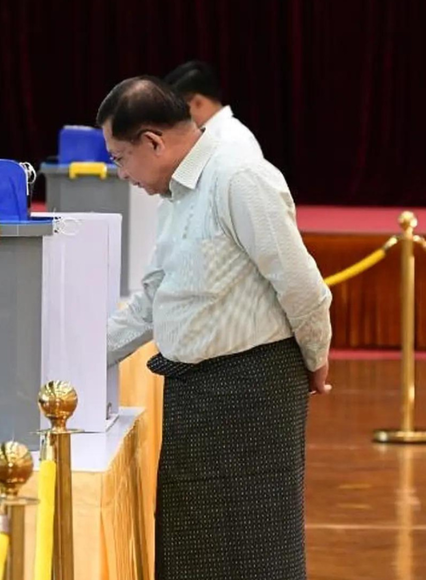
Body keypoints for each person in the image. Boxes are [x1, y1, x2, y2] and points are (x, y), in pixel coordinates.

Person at [98, 77, 332, 579]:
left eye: (120, 157)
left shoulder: (238, 177)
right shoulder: (177, 196)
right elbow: (152, 303)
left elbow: (302, 285)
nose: (121, 173)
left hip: (253, 389)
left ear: (153, 141)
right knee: (193, 553)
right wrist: (78, 354)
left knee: (255, 552)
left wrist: (316, 357)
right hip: (197, 393)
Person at [164, 60, 264, 161]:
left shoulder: (232, 138)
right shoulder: (210, 137)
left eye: (178, 107)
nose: (175, 117)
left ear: (197, 102)